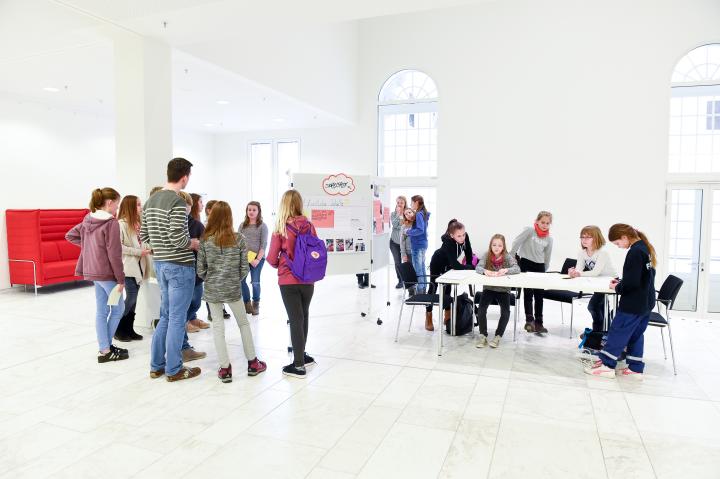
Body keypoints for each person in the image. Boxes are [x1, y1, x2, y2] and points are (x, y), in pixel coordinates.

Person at [141, 158, 201, 382]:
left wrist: (161, 249)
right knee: (177, 318)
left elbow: (145, 238)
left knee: (166, 316)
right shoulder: (176, 202)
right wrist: (193, 244)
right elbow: (178, 237)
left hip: (161, 266)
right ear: (184, 177)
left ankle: (157, 366)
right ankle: (174, 368)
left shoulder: (150, 201)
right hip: (180, 267)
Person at [198, 201, 267, 382]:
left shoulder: (205, 240)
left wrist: (212, 279)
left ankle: (225, 368)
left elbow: (200, 269)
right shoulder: (239, 239)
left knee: (218, 328)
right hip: (233, 289)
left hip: (212, 289)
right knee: (243, 324)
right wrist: (233, 280)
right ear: (230, 217)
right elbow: (244, 268)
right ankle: (253, 363)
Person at [585, 224, 657, 380]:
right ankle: (635, 368)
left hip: (633, 304)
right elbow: (644, 276)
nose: (618, 247)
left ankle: (607, 365)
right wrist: (622, 283)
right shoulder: (644, 248)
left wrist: (618, 287)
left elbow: (632, 283)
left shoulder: (635, 252)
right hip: (646, 302)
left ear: (625, 237)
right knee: (635, 335)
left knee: (618, 332)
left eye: (618, 243)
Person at [66, 187, 128, 363]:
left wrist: (90, 249)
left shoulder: (88, 219)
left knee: (102, 310)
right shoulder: (111, 223)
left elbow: (70, 235)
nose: (117, 209)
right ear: (109, 203)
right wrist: (121, 279)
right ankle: (105, 349)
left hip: (92, 272)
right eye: (116, 205)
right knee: (118, 309)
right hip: (107, 275)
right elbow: (114, 255)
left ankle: (105, 348)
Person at [267, 190, 319, 379]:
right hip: (308, 279)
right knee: (303, 316)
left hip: (288, 280)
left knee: (295, 319)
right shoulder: (309, 225)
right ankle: (302, 356)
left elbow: (272, 259)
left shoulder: (280, 228)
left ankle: (298, 366)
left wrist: (281, 262)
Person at [425, 220, 475, 331]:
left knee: (448, 288)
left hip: (449, 264)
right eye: (459, 236)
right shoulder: (448, 242)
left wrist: (470, 265)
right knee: (433, 288)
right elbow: (456, 265)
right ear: (452, 235)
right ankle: (428, 316)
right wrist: (470, 267)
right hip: (437, 261)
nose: (462, 237)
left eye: (463, 234)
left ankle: (447, 316)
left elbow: (468, 252)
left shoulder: (464, 236)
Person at [510, 211, 553, 334]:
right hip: (526, 263)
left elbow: (547, 257)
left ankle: (539, 323)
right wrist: (511, 256)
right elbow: (516, 242)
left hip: (540, 267)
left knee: (539, 295)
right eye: (542, 222)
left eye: (547, 223)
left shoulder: (549, 239)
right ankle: (529, 321)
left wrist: (544, 269)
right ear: (537, 221)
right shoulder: (529, 231)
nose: (545, 225)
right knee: (528, 293)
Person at [114, 195, 150, 342]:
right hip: (128, 267)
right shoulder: (120, 224)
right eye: (138, 205)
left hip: (140, 266)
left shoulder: (138, 223)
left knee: (134, 300)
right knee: (131, 298)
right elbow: (119, 247)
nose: (141, 208)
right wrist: (138, 252)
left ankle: (129, 329)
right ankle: (118, 329)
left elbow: (142, 242)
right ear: (130, 207)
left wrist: (147, 249)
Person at [568, 225, 617, 333]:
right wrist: (573, 272)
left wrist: (578, 273)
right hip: (597, 282)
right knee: (601, 307)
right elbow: (579, 270)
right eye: (582, 237)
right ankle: (602, 333)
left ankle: (598, 332)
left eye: (588, 237)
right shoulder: (582, 253)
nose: (584, 240)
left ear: (596, 238)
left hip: (609, 281)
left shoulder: (602, 253)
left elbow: (595, 272)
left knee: (593, 306)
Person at [475, 234, 521, 348]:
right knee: (481, 310)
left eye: (499, 245)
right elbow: (478, 267)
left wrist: (506, 270)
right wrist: (485, 271)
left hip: (503, 290)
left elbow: (517, 268)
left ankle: (498, 336)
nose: (496, 247)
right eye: (494, 245)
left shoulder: (507, 256)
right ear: (490, 245)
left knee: (505, 312)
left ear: (503, 246)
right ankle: (483, 335)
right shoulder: (487, 255)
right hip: (489, 288)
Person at [239, 201, 268, 315]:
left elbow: (264, 244)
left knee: (255, 282)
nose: (251, 212)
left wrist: (257, 259)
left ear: (258, 211)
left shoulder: (262, 226)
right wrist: (246, 258)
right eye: (249, 209)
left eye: (254, 210)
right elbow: (239, 243)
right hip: (245, 257)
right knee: (242, 281)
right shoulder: (242, 225)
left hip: (257, 258)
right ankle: (247, 303)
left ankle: (256, 303)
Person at [185, 193, 209, 332]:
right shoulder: (182, 223)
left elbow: (204, 246)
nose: (202, 205)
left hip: (197, 267)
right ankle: (186, 321)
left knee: (196, 299)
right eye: (200, 202)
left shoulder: (198, 224)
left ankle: (191, 318)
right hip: (184, 267)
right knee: (189, 299)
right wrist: (191, 244)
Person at [204, 200, 231, 322]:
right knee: (211, 288)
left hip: (222, 263)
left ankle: (221, 308)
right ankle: (212, 311)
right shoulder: (206, 226)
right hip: (211, 265)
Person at [406, 195, 430, 293]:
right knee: (422, 267)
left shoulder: (419, 214)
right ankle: (423, 289)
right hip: (423, 244)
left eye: (411, 203)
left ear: (416, 202)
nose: (411, 205)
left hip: (418, 245)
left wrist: (408, 232)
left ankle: (420, 291)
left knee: (418, 269)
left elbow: (420, 230)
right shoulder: (424, 213)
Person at [389, 196, 407, 288]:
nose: (399, 204)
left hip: (404, 243)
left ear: (405, 204)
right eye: (398, 202)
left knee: (406, 262)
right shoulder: (393, 214)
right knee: (397, 262)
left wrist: (401, 217)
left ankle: (407, 280)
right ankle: (400, 280)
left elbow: (405, 227)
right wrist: (399, 215)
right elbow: (395, 225)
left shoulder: (408, 213)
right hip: (394, 242)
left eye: (401, 203)